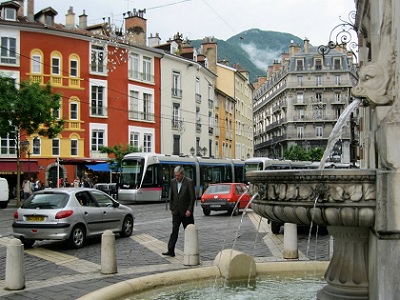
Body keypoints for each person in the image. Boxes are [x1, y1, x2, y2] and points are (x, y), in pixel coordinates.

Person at [162, 166, 195, 257]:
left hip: (186, 213)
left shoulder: (189, 182)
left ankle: (192, 250)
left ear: (182, 174)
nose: (177, 177)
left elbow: (192, 198)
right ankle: (170, 250)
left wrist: (189, 210)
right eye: (176, 175)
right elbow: (171, 195)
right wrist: (172, 208)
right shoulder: (173, 182)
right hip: (176, 212)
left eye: (179, 176)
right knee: (174, 231)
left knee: (189, 231)